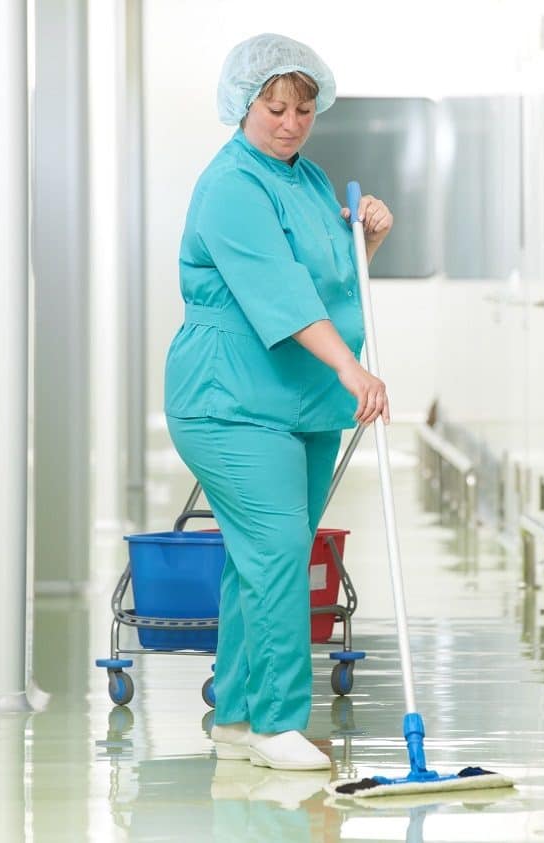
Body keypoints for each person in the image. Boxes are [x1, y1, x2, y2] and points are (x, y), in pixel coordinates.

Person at [164, 33, 393, 771]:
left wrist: (368, 243)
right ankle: (276, 722)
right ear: (243, 104)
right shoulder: (232, 185)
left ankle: (235, 713)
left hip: (299, 398)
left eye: (302, 109)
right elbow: (283, 299)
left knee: (256, 556)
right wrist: (355, 373)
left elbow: (327, 285)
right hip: (229, 398)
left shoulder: (306, 177)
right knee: (279, 551)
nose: (290, 122)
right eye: (274, 108)